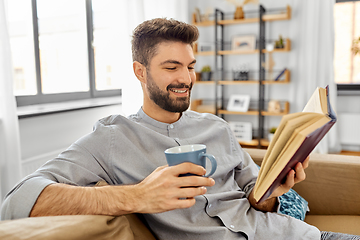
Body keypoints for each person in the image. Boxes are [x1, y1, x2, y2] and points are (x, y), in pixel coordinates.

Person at [1, 18, 358, 240]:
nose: (186, 79)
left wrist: (272, 192)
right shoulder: (111, 137)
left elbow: (255, 198)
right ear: (140, 72)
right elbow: (16, 201)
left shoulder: (217, 127)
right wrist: (136, 197)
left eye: (190, 66)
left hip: (295, 236)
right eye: (172, 67)